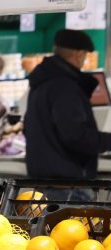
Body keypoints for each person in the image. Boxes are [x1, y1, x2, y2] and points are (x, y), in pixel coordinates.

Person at [25, 29, 111, 181]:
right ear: (79, 54)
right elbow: (75, 135)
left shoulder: (42, 81)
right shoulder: (64, 87)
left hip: (46, 176)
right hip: (67, 182)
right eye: (84, 56)